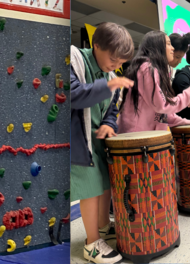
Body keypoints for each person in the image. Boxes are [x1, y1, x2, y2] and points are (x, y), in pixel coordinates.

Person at [68, 22, 135, 263]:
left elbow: (112, 110)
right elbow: (72, 94)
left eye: (121, 63)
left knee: (106, 184)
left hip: (99, 141)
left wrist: (110, 124)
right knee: (91, 189)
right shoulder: (74, 57)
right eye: (113, 59)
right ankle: (91, 243)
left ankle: (104, 226)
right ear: (96, 45)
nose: (116, 66)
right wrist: (108, 85)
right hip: (79, 139)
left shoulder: (111, 76)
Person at [118, 31, 190, 133]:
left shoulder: (155, 70)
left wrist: (184, 121)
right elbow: (162, 106)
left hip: (146, 136)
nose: (172, 49)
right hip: (137, 137)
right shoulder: (147, 69)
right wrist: (189, 94)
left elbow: (162, 114)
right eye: (169, 44)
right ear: (157, 46)